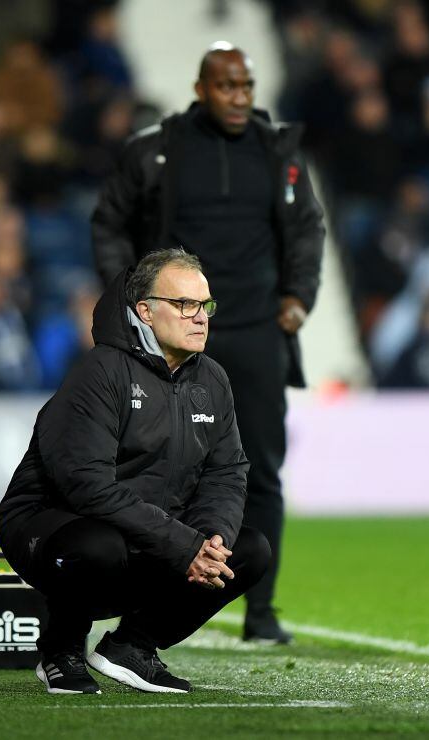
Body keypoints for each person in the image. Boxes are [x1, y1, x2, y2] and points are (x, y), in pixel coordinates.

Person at [90, 43, 325, 644]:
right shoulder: (158, 151)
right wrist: (129, 298)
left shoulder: (278, 155)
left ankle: (261, 611)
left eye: (246, 86)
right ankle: (137, 595)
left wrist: (297, 297)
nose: (240, 97)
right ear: (200, 90)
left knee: (261, 471)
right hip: (171, 336)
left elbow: (306, 229)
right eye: (227, 87)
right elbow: (110, 221)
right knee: (148, 464)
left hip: (252, 332)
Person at [0, 249, 271, 695]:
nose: (200, 317)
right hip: (53, 523)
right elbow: (87, 487)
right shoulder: (101, 371)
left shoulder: (213, 379)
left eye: (205, 305)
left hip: (146, 532)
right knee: (99, 546)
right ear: (144, 310)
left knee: (249, 550)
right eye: (185, 304)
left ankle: (132, 646)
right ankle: (60, 652)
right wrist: (184, 545)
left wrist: (210, 538)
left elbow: (227, 472)